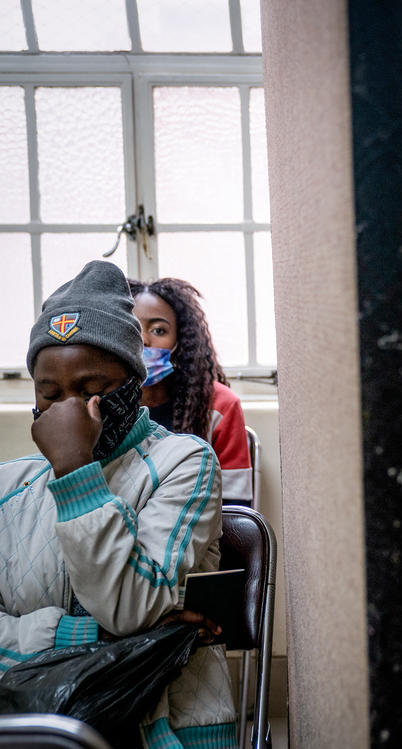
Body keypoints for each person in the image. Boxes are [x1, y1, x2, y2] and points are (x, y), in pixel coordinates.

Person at [0, 261, 237, 748]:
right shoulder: (10, 486)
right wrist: (84, 636)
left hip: (162, 729)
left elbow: (132, 608)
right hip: (36, 726)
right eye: (50, 394)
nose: (67, 409)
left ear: (131, 383)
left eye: (91, 391)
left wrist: (75, 473)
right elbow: (132, 630)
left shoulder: (183, 463)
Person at [128, 278, 253, 506]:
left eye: (158, 330)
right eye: (133, 328)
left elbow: (235, 507)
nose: (144, 340)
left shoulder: (220, 405)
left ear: (180, 341)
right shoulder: (99, 400)